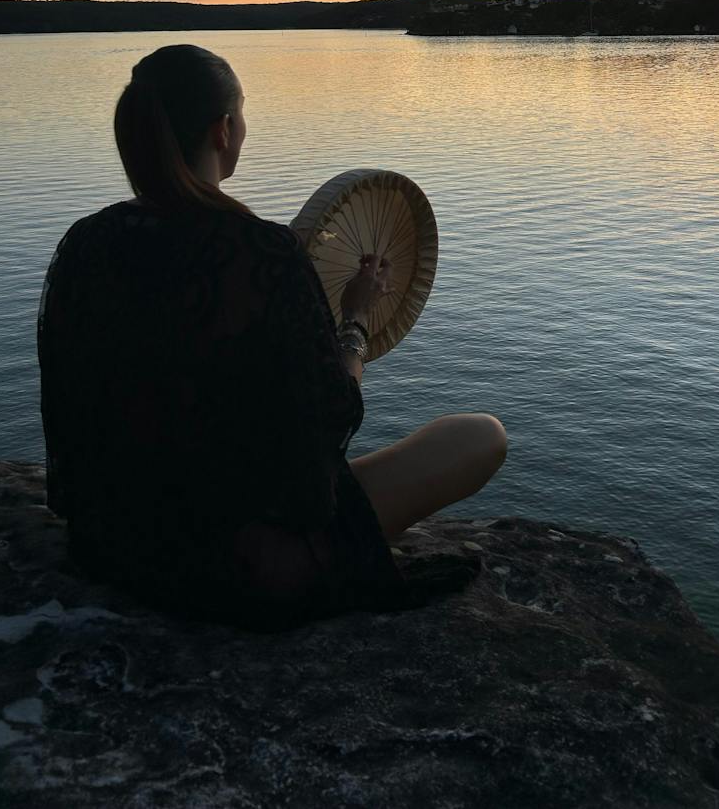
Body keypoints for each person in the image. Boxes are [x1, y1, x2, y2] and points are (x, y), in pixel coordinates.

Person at [36, 43, 507, 630]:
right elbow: (331, 417)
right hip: (242, 564)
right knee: (480, 436)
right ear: (224, 130)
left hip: (116, 541)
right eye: (243, 113)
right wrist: (355, 322)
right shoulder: (260, 253)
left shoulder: (85, 244)